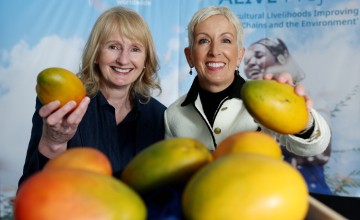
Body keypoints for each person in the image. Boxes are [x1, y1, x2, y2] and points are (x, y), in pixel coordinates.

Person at [18, 6, 166, 186]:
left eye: (135, 49)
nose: (123, 59)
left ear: (145, 60)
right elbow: (30, 190)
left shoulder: (160, 116)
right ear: (96, 54)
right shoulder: (62, 104)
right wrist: (53, 144)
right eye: (113, 47)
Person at [164, 6, 331, 162]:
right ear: (189, 56)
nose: (215, 51)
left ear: (239, 55)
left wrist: (301, 115)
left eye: (226, 41)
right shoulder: (173, 114)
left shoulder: (266, 99)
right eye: (203, 41)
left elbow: (315, 147)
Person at [244, 37, 332, 194]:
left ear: (282, 58)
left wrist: (303, 125)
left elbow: (320, 152)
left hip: (307, 193)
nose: (250, 62)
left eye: (258, 55)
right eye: (247, 59)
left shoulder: (305, 95)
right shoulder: (248, 100)